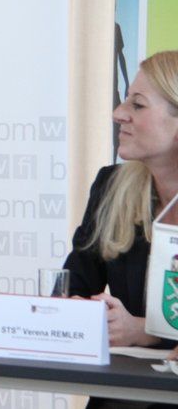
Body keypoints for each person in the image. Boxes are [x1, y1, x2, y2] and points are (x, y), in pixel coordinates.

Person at [65, 51, 178, 354]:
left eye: (137, 105)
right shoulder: (112, 187)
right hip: (127, 380)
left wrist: (146, 331)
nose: (118, 113)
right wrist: (85, 312)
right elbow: (73, 287)